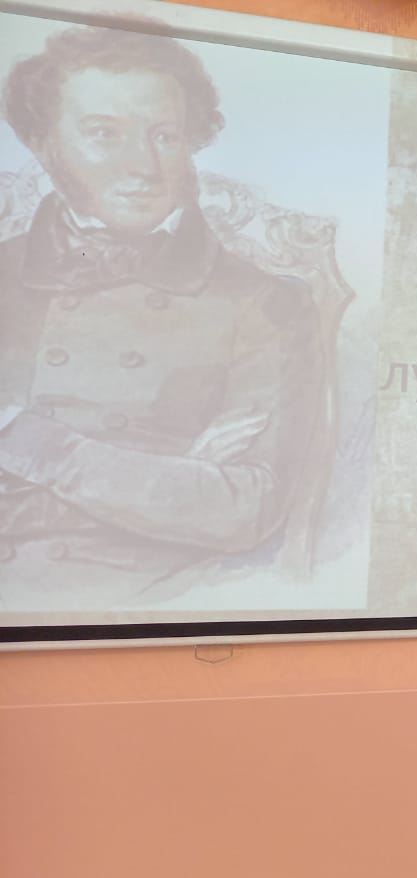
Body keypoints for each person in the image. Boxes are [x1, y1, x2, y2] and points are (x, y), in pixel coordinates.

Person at [0, 25, 325, 610]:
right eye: (105, 134)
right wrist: (166, 481)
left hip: (148, 603)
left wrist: (28, 443)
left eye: (164, 136)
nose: (143, 167)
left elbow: (243, 508)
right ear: (45, 144)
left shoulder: (262, 303)